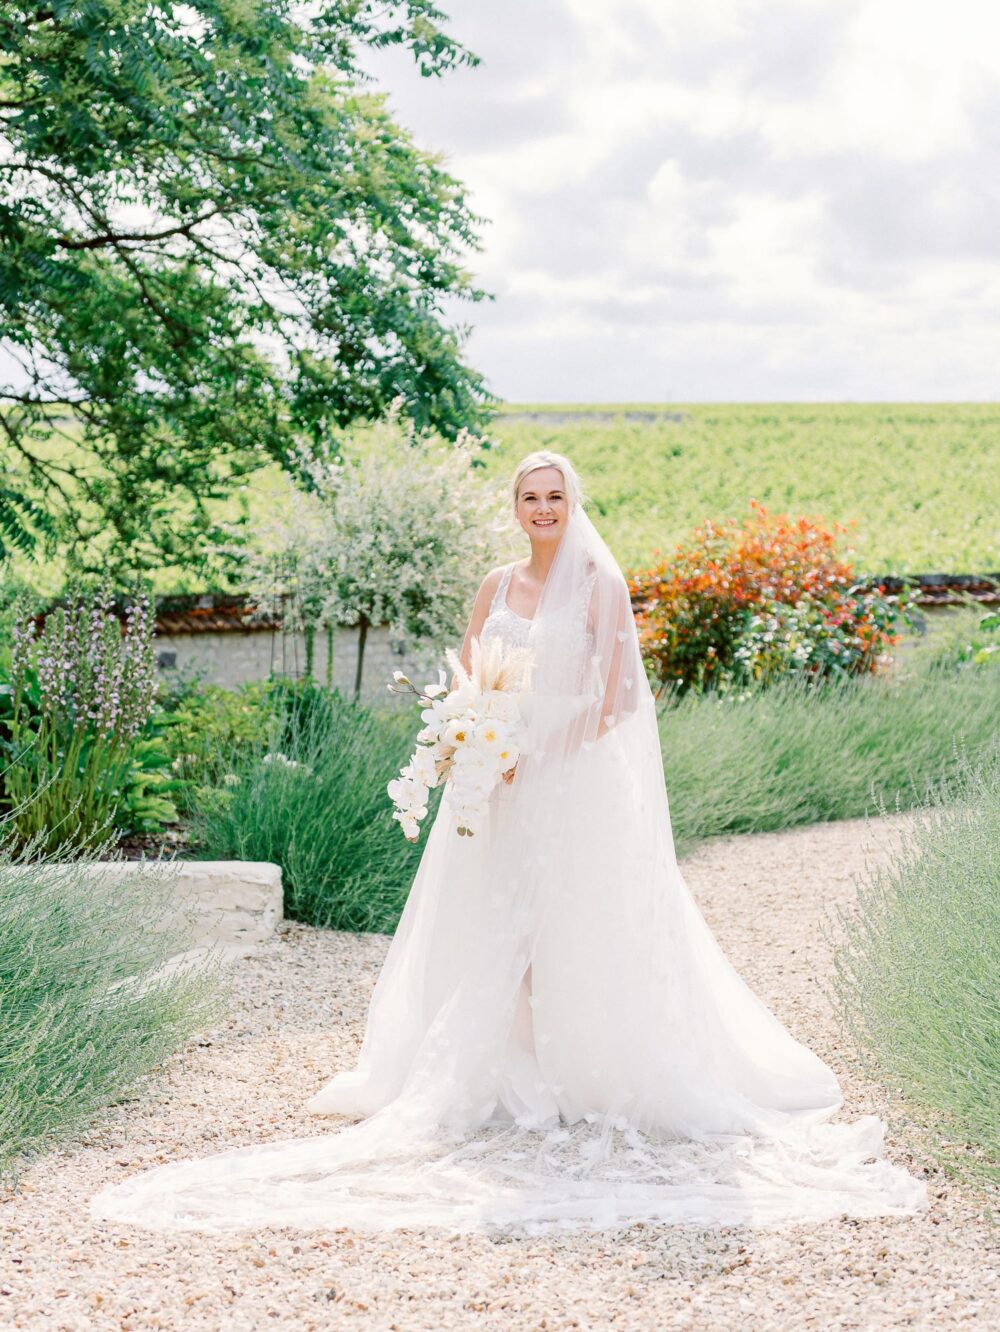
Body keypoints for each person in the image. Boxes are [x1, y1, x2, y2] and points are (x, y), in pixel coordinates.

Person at [92, 451, 929, 1233]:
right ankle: (509, 1069)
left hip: (569, 786)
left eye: (555, 497)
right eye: (529, 498)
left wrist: (540, 752)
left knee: (570, 919)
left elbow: (618, 698)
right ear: (514, 508)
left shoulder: (598, 582)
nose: (542, 509)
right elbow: (466, 675)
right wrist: (466, 737)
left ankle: (584, 1067)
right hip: (493, 783)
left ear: (574, 505)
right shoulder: (495, 584)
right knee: (494, 919)